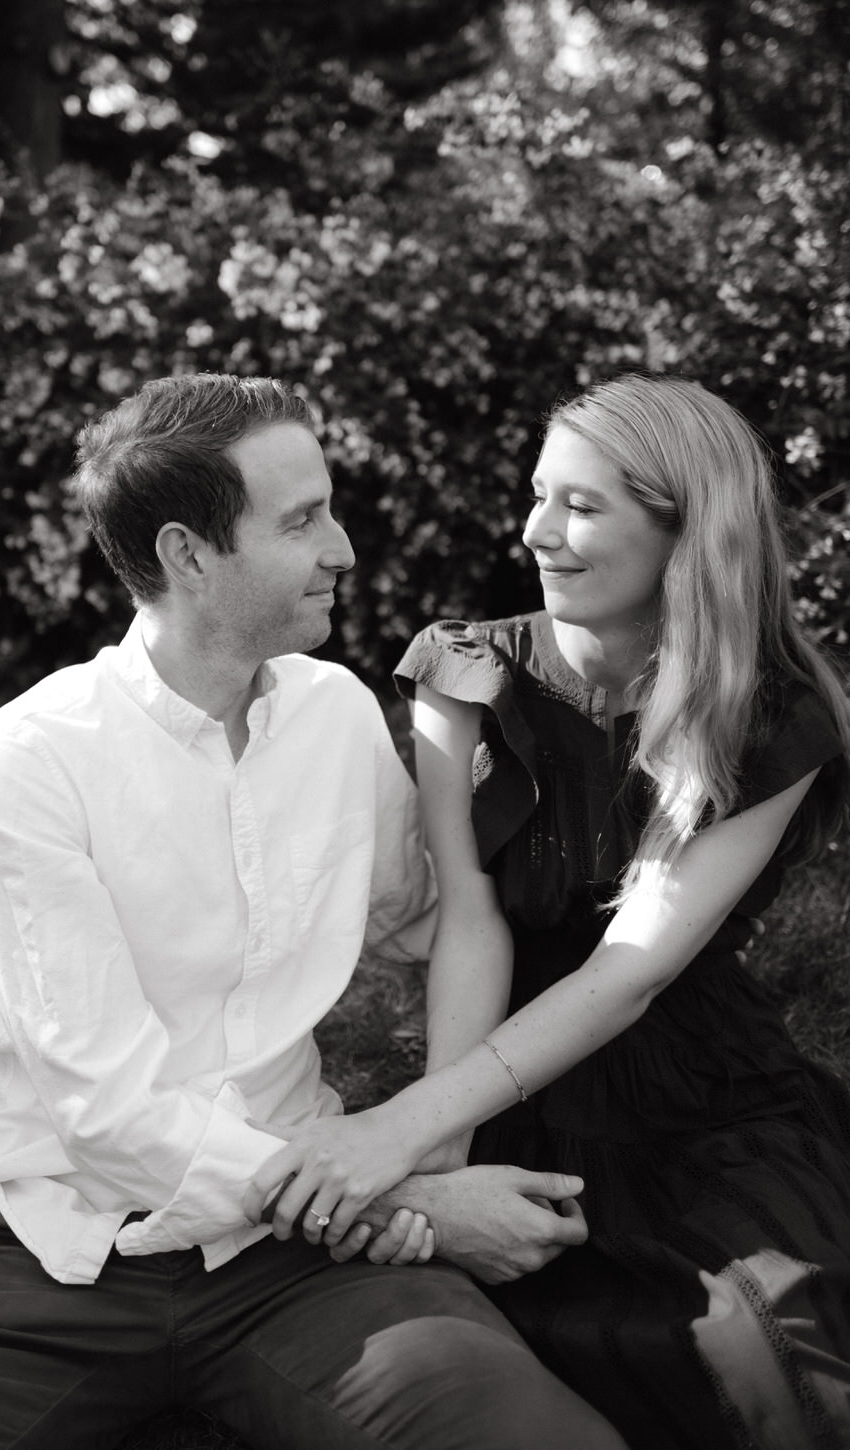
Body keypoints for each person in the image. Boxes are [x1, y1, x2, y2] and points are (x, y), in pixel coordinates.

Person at [0, 373, 625, 1450]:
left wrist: (636, 926)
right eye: (303, 519)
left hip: (302, 1265)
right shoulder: (31, 760)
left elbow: (433, 919)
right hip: (60, 1247)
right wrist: (404, 1202)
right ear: (188, 555)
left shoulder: (335, 716)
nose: (344, 549)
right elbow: (108, 1112)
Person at [247, 373, 850, 1450]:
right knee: (514, 1335)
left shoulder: (769, 711)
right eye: (537, 495)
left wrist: (394, 1130)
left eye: (580, 505)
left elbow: (634, 968)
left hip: (696, 1077)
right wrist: (436, 1144)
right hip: (492, 1058)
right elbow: (470, 919)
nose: (537, 533)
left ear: (684, 531)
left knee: (759, 1341)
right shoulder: (465, 672)